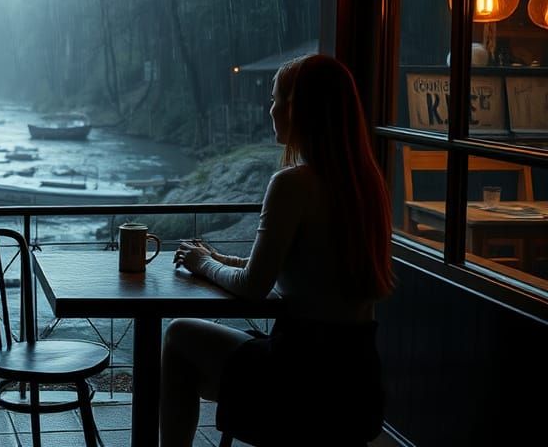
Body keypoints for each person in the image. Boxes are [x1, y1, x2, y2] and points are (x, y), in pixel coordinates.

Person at [161, 54, 394, 446]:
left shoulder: (293, 184)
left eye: (276, 99)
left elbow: (254, 285)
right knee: (209, 359)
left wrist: (201, 264)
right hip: (357, 386)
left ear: (298, 109)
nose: (270, 110)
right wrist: (217, 259)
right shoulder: (367, 185)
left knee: (178, 337)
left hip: (298, 381)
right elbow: (296, 270)